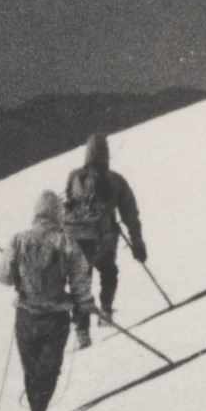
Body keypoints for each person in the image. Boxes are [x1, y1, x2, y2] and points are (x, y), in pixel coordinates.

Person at [0, 190, 98, 411]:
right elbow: (80, 276)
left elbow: (3, 276)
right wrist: (83, 302)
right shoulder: (64, 241)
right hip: (56, 317)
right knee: (49, 368)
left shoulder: (18, 240)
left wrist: (19, 273)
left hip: (26, 317)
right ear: (57, 213)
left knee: (32, 369)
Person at [63, 134, 145, 320]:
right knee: (109, 273)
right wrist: (137, 243)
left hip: (78, 243)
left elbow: (68, 209)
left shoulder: (74, 177)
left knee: (81, 284)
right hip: (105, 240)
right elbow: (130, 214)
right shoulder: (115, 180)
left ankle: (82, 330)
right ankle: (106, 310)